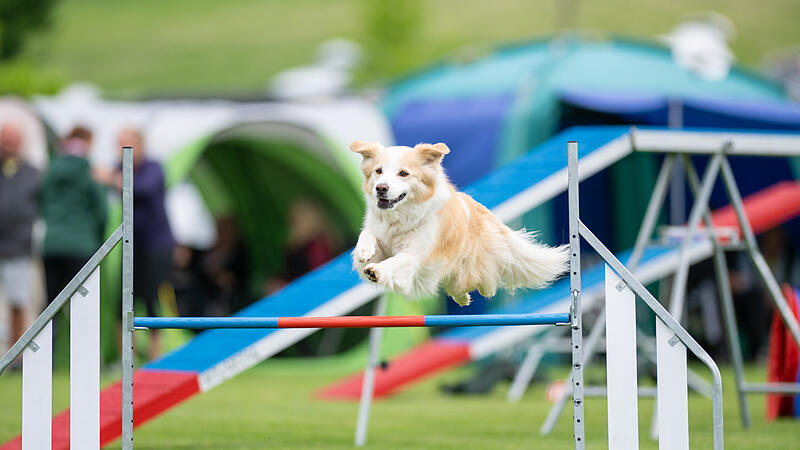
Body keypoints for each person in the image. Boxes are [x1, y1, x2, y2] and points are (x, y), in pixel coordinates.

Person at [103, 127, 174, 360]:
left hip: (156, 245)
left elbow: (141, 189)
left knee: (152, 298)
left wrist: (113, 180)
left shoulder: (154, 168)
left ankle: (155, 357)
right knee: (123, 301)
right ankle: (126, 360)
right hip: (130, 245)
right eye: (119, 144)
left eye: (126, 144)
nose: (120, 150)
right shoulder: (118, 169)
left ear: (140, 145)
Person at [39, 126, 107, 303]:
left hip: (51, 244)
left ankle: (51, 331)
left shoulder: (50, 170)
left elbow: (40, 201)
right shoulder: (88, 172)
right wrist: (97, 240)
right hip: (81, 245)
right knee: (83, 303)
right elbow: (101, 211)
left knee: (51, 305)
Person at [0, 122, 40, 354]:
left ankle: (15, 355)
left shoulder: (32, 172)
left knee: (18, 302)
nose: (9, 145)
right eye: (5, 140)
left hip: (18, 248)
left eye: (13, 140)